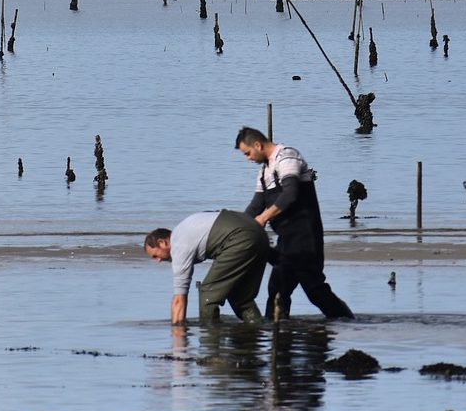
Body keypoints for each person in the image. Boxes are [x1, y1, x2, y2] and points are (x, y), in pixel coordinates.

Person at [235, 126, 353, 320]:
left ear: (257, 144)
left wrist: (263, 218)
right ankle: (279, 338)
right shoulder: (264, 171)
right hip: (286, 241)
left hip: (305, 237)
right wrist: (238, 229)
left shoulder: (288, 157)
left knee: (315, 290)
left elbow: (290, 194)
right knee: (277, 289)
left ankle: (347, 323)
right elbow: (256, 206)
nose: (248, 158)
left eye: (247, 153)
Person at [143, 212, 270, 325]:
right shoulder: (185, 227)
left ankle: (211, 344)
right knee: (241, 296)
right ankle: (257, 332)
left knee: (208, 294)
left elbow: (179, 298)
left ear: (162, 243)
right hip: (257, 231)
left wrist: (177, 330)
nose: (158, 260)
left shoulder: (178, 245)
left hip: (239, 238)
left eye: (155, 255)